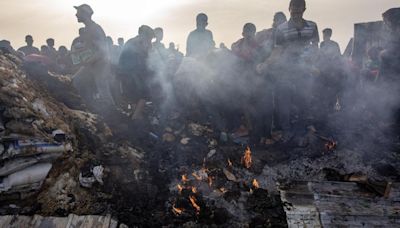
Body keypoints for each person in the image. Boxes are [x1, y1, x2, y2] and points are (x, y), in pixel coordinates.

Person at [259, 0, 319, 142]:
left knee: (303, 101)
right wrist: (265, 63)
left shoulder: (312, 26)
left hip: (304, 70)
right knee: (283, 103)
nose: (296, 10)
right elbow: (277, 51)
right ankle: (286, 132)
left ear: (304, 8)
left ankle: (300, 132)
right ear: (289, 8)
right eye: (294, 7)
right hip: (285, 71)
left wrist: (312, 64)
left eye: (299, 7)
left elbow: (315, 47)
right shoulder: (281, 29)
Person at [72, 4, 114, 110]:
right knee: (76, 80)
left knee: (102, 88)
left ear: (84, 14)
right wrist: (77, 51)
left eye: (78, 12)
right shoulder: (88, 29)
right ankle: (89, 105)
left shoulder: (95, 29)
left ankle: (113, 114)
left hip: (101, 63)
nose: (76, 15)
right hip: (93, 63)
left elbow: (103, 51)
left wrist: (89, 61)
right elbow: (89, 46)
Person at [118, 25, 155, 120]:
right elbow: (144, 62)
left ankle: (135, 118)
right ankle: (135, 119)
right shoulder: (139, 43)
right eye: (150, 39)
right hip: (131, 75)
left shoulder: (130, 41)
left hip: (125, 75)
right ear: (144, 36)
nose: (150, 42)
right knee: (146, 93)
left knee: (134, 98)